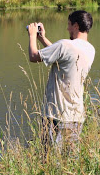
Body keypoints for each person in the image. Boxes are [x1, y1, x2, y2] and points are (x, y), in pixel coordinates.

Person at [27, 10, 95, 154]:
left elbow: (33, 56)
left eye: (69, 25)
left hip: (56, 115)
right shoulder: (90, 49)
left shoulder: (65, 45)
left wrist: (32, 36)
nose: (67, 29)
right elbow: (63, 56)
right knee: (69, 162)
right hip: (76, 116)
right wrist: (42, 39)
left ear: (76, 26)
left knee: (50, 161)